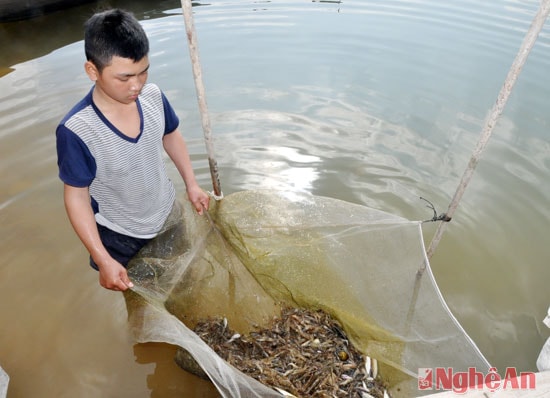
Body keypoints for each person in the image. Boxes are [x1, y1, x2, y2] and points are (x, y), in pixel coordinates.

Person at [56, 8, 210, 292]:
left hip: (168, 213)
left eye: (143, 72)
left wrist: (192, 184)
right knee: (145, 297)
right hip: (122, 235)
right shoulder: (77, 130)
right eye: (124, 77)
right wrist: (103, 259)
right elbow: (76, 198)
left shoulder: (152, 96)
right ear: (93, 71)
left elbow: (171, 135)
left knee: (186, 278)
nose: (136, 85)